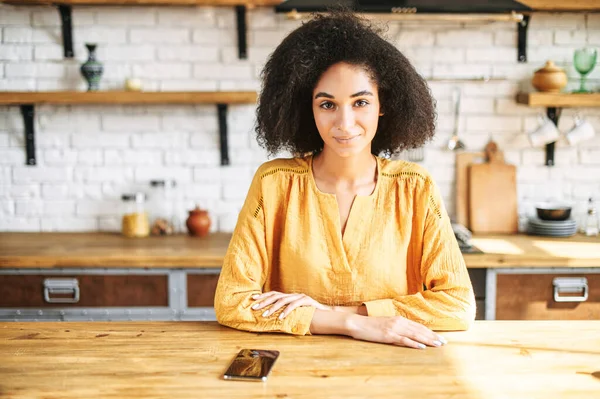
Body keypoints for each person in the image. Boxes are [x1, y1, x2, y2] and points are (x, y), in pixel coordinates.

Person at [214, 11, 476, 350]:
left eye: (361, 102)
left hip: (395, 372)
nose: (345, 122)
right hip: (294, 375)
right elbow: (231, 300)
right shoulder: (274, 184)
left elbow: (458, 305)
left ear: (383, 105)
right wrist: (351, 323)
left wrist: (337, 311)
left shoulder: (415, 187)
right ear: (306, 108)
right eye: (327, 104)